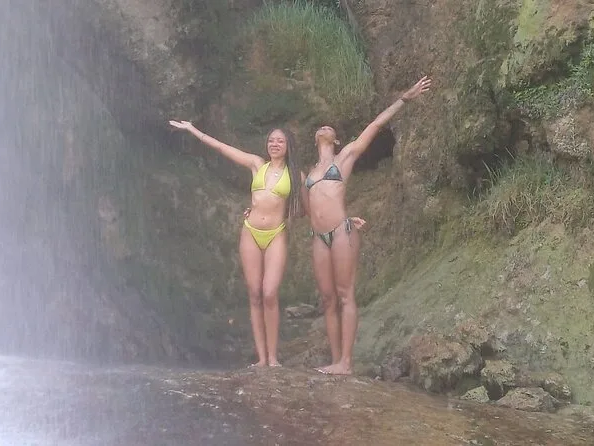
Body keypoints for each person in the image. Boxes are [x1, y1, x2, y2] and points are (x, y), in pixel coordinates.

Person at [304, 75, 432, 375]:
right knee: (327, 299)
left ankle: (346, 363)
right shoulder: (308, 172)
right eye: (319, 127)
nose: (323, 127)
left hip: (340, 232)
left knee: (345, 293)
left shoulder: (344, 157)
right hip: (318, 236)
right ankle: (335, 360)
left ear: (336, 140)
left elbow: (374, 126)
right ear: (315, 139)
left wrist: (404, 99)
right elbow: (304, 206)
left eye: (329, 127)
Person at [169, 120, 304, 367]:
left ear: (288, 146)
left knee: (269, 293)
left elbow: (309, 205)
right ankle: (262, 358)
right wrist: (193, 129)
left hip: (276, 233)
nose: (274, 144)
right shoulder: (257, 164)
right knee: (254, 293)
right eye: (271, 140)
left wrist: (343, 221)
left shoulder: (296, 175)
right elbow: (223, 148)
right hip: (250, 232)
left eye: (280, 141)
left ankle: (274, 358)